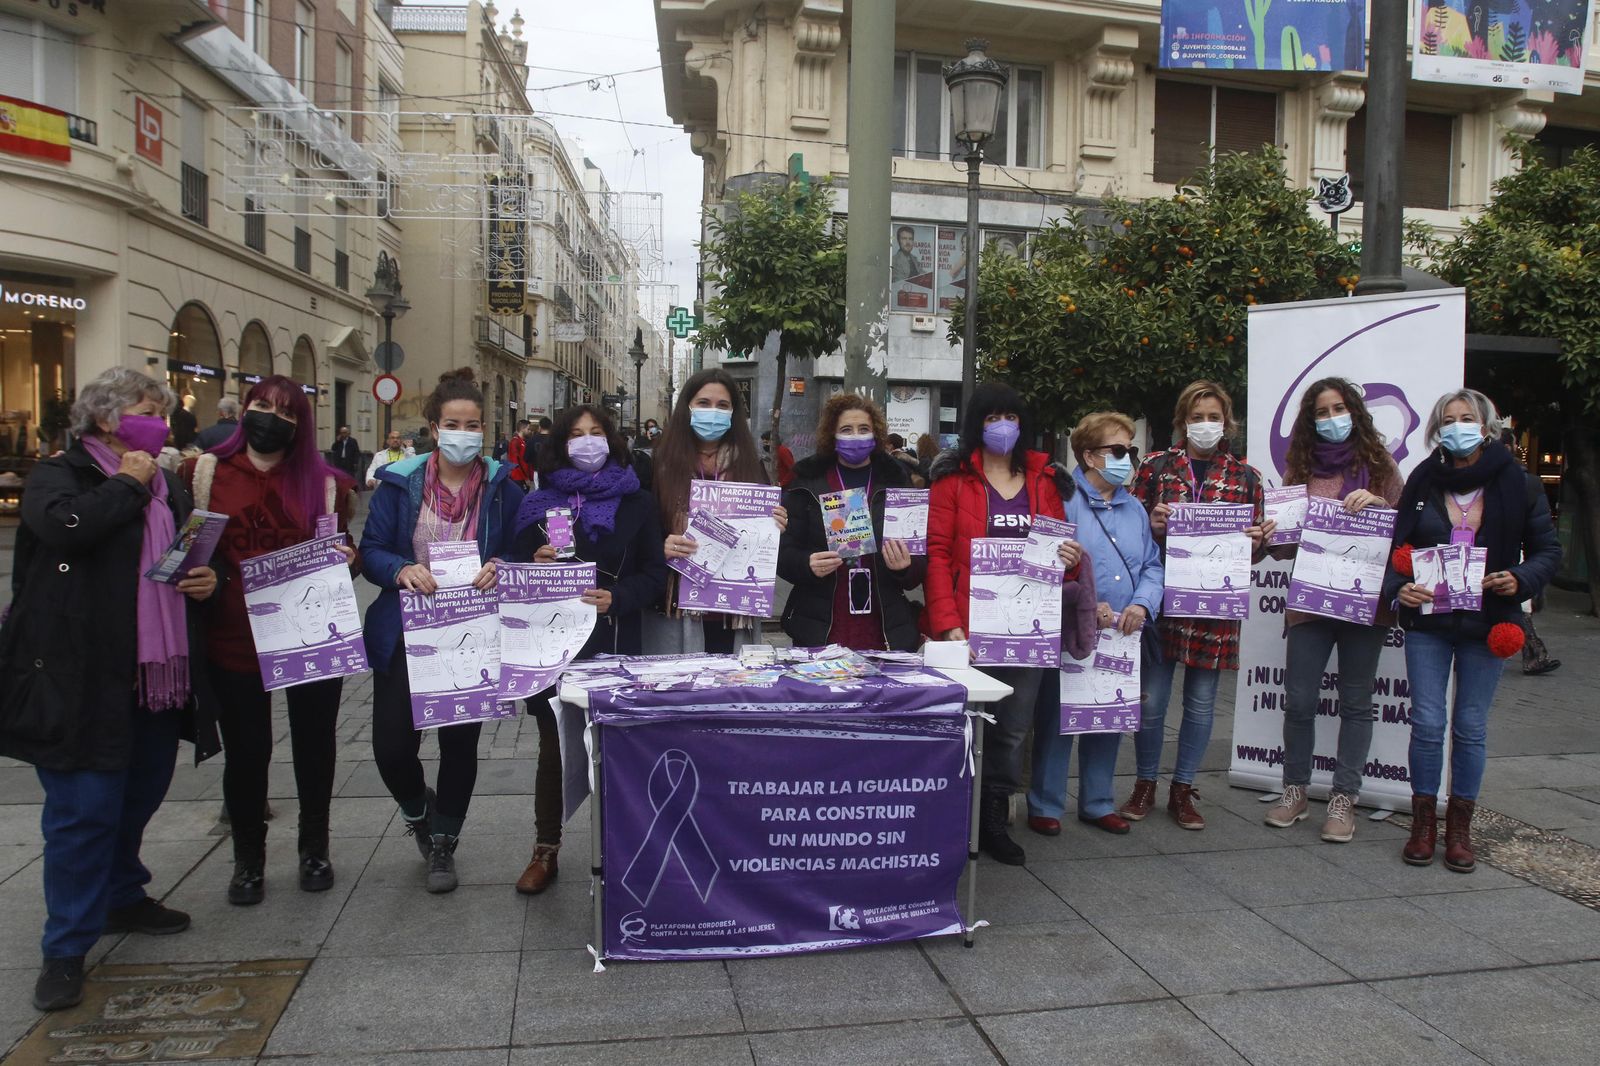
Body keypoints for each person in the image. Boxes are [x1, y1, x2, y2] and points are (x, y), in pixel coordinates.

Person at [0, 367, 220, 1012]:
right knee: (82, 813)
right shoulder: (58, 475)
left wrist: (207, 581)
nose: (162, 420)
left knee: (139, 794)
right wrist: (128, 480)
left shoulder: (167, 488)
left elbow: (182, 557)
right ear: (106, 418)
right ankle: (65, 947)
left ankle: (123, 893)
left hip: (154, 676)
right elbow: (69, 529)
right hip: (79, 675)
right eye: (149, 409)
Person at [183, 376, 357, 905]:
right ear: (245, 412)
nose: (270, 418)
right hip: (233, 638)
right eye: (261, 406)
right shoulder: (203, 473)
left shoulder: (327, 484)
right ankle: (248, 861)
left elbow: (340, 547)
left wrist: (347, 559)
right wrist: (201, 576)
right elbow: (188, 549)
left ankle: (314, 849)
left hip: (307, 638)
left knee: (315, 746)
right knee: (247, 752)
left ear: (300, 424)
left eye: (284, 412)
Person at [360, 369, 524, 893]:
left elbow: (522, 547)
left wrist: (505, 564)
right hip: (408, 632)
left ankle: (444, 844)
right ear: (434, 428)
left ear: (484, 429)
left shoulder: (502, 487)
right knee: (391, 746)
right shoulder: (399, 483)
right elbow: (372, 550)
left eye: (473, 424)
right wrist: (399, 569)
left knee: (458, 747)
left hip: (472, 634)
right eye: (453, 423)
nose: (463, 433)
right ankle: (418, 813)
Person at [1389, 389, 1560, 872]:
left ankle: (1459, 829)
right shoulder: (1422, 480)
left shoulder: (1519, 483)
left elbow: (1548, 551)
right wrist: (1399, 589)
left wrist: (1520, 578)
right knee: (1426, 723)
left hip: (1490, 621)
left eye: (1466, 418)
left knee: (1470, 727)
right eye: (1448, 419)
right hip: (1430, 623)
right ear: (1436, 430)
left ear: (1486, 425)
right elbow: (1396, 552)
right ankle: (1423, 823)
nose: (1457, 426)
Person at [924, 382, 1082, 865]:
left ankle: (992, 817)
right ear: (977, 424)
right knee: (963, 725)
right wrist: (948, 623)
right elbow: (937, 555)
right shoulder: (953, 481)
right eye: (992, 418)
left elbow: (1061, 559)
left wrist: (1071, 560)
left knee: (1013, 730)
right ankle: (953, 816)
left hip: (1027, 630)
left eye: (1010, 417)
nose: (1002, 427)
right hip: (969, 630)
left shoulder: (1044, 481)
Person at [512, 404, 668, 894]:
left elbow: (654, 574)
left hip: (612, 639)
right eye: (576, 434)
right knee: (552, 746)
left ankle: (624, 852)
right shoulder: (538, 501)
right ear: (560, 444)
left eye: (595, 433)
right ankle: (545, 848)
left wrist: (617, 599)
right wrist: (530, 559)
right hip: (552, 644)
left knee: (617, 748)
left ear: (612, 440)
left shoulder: (638, 502)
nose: (586, 442)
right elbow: (512, 569)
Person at [1121, 381, 1271, 830]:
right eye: (1197, 416)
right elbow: (1129, 529)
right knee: (1152, 703)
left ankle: (1183, 789)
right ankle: (1145, 782)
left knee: (1202, 704)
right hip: (1163, 597)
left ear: (1227, 421)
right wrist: (1152, 521)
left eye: (1214, 416)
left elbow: (1258, 547)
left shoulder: (1246, 476)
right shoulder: (1155, 467)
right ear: (1182, 421)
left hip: (1215, 604)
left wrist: (1258, 541)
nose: (1205, 424)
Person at [1264, 377, 1404, 842]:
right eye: (1321, 413)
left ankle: (1345, 798)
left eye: (1338, 408)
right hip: (1310, 604)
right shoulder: (1299, 470)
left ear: (1355, 412)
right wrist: (1271, 534)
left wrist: (1381, 506)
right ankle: (1295, 790)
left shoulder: (1380, 466)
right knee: (1300, 700)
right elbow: (1283, 549)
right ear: (1310, 422)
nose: (1331, 419)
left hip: (1366, 604)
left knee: (1356, 702)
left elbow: (1406, 535)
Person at [1030, 411, 1163, 840]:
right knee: (1057, 717)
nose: (1128, 459)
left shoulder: (1135, 507)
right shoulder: (1062, 499)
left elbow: (1152, 566)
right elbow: (1043, 564)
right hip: (1071, 630)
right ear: (1089, 455)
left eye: (1132, 450)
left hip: (1122, 632)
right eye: (1118, 450)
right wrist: (1085, 602)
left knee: (1107, 715)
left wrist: (1142, 605)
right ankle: (1045, 803)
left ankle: (1098, 801)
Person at [652, 368, 786, 654]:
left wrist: (775, 525)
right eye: (703, 403)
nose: (713, 412)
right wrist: (659, 544)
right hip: (678, 604)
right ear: (687, 407)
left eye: (722, 405)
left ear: (733, 413)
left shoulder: (752, 465)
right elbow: (641, 530)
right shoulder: (659, 464)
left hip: (733, 610)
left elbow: (765, 540)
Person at [778, 394, 925, 651]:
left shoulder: (896, 481)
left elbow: (920, 562)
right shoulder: (807, 482)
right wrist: (806, 564)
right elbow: (783, 553)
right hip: (821, 623)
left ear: (876, 434)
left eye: (864, 429)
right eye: (846, 429)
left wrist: (905, 567)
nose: (855, 436)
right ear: (832, 435)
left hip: (883, 625)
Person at [507, 419, 532, 486]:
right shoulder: (515, 442)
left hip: (522, 477)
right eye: (528, 429)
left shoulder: (522, 441)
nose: (529, 431)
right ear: (522, 429)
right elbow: (516, 462)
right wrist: (525, 478)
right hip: (518, 477)